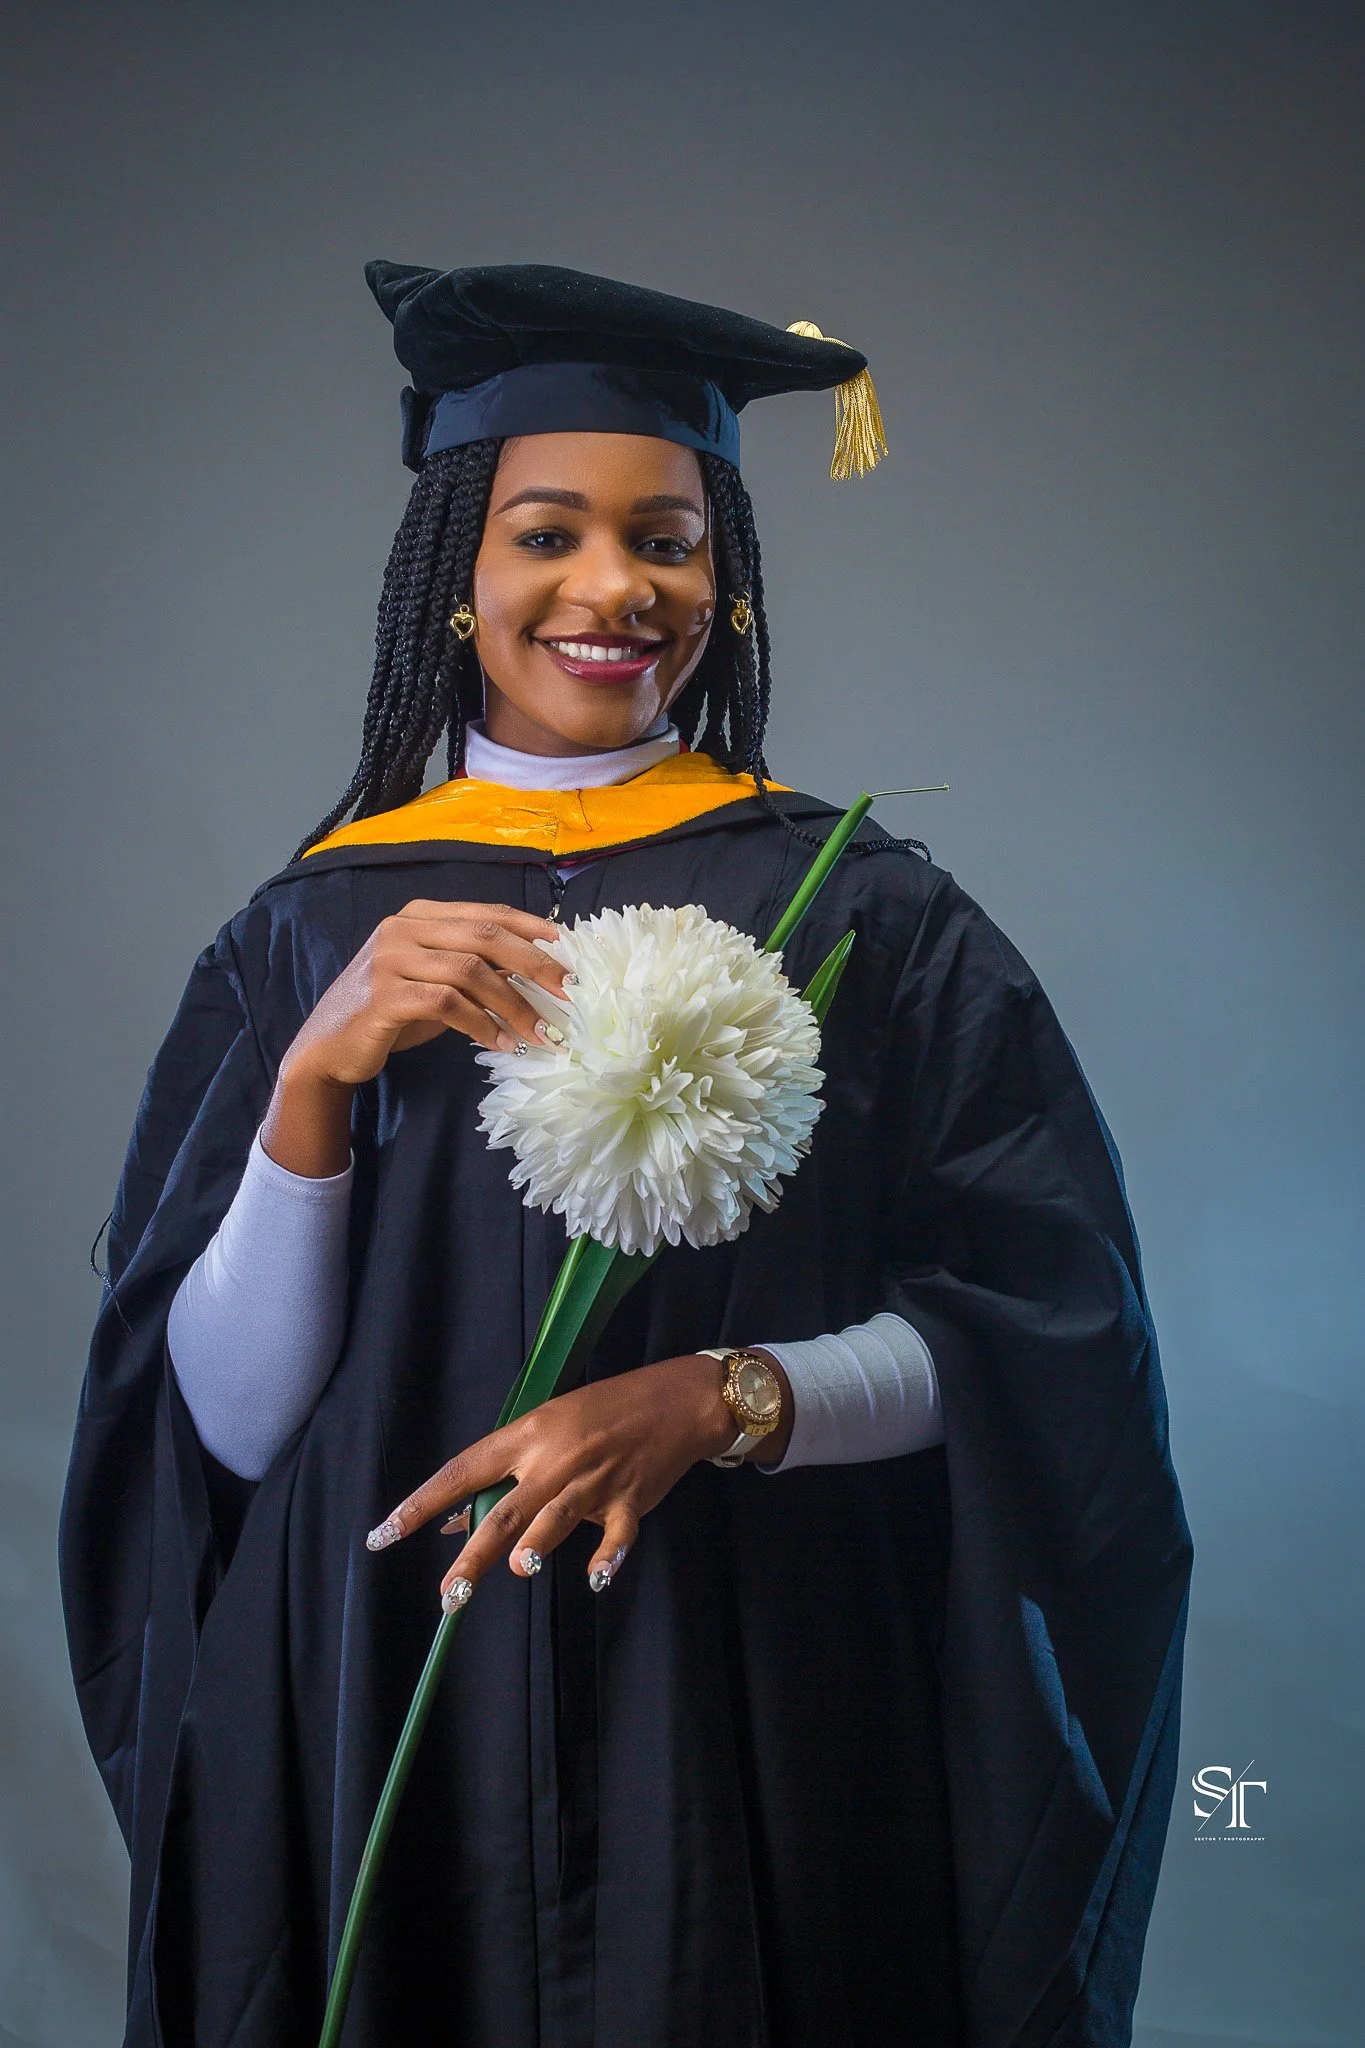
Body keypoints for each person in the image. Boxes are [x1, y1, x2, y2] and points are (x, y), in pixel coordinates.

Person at [61, 262, 1193, 2048]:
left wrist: (721, 1399)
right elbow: (224, 1429)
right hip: (388, 1702)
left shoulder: (866, 917)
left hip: (755, 1704)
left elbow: (1042, 1352)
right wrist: (312, 1086)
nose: (612, 589)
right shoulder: (308, 934)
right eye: (546, 534)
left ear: (723, 583)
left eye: (667, 539)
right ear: (455, 579)